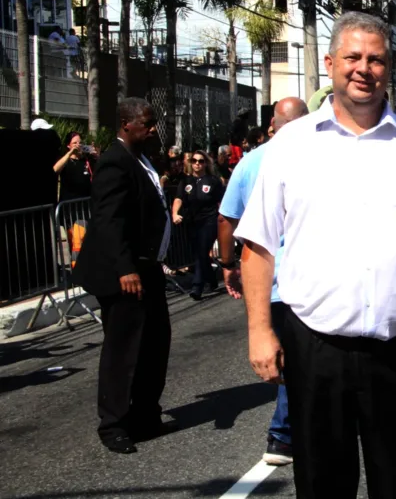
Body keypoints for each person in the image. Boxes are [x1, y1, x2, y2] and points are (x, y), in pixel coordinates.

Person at [235, 12, 396, 499]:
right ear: (331, 63)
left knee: (395, 481)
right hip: (315, 347)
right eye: (354, 57)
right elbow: (256, 246)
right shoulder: (292, 144)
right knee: (321, 484)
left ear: (388, 69)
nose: (364, 68)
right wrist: (259, 330)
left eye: (376, 59)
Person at [73, 98, 173, 454]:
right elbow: (108, 221)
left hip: (148, 267)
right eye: (146, 122)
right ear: (126, 124)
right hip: (125, 271)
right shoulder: (115, 162)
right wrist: (126, 268)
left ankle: (145, 415)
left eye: (153, 122)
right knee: (124, 350)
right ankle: (113, 424)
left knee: (155, 343)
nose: (151, 128)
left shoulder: (141, 159)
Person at [218, 97, 309, 466]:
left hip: (265, 277)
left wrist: (227, 263)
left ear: (272, 125)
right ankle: (283, 434)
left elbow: (227, 216)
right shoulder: (313, 158)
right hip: (301, 278)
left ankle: (289, 432)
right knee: (299, 357)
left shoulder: (251, 162)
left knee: (291, 356)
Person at [172, 150, 223, 301]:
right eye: (194, 161)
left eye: (201, 161)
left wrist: (224, 220)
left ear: (206, 163)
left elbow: (221, 202)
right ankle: (211, 279)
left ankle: (197, 286)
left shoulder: (213, 181)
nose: (197, 164)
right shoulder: (186, 181)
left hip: (210, 220)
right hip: (193, 222)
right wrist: (175, 213)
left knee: (201, 249)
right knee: (199, 253)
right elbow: (178, 199)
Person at [53, 131, 95, 203]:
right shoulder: (65, 160)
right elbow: (55, 169)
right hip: (69, 204)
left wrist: (96, 156)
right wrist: (70, 153)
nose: (78, 145)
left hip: (85, 203)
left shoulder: (86, 160)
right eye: (75, 143)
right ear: (68, 146)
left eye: (80, 143)